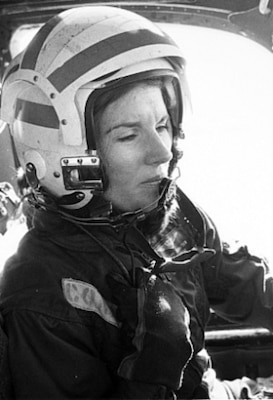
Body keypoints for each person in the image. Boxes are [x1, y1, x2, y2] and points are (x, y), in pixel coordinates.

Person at [0, 5, 272, 399]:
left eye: (162, 125)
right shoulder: (40, 299)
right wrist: (150, 374)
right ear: (64, 160)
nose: (162, 151)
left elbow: (243, 284)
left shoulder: (170, 217)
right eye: (129, 135)